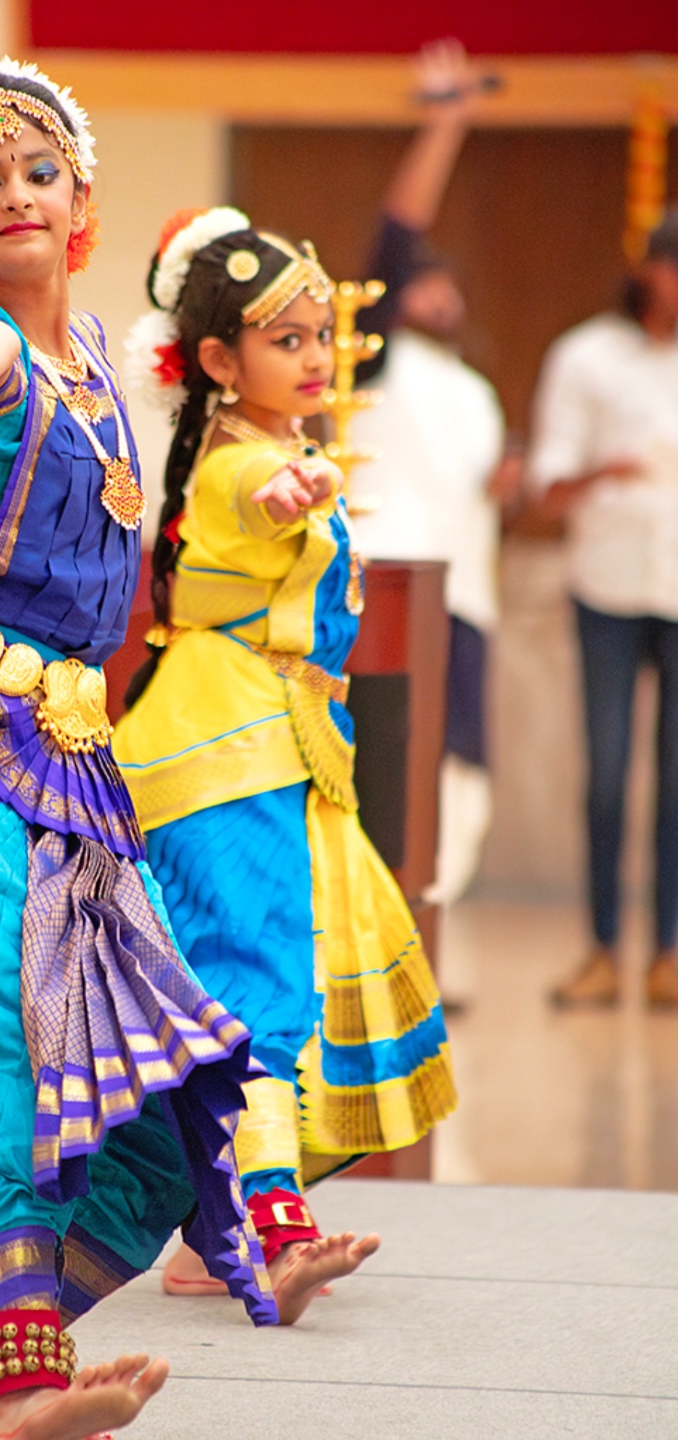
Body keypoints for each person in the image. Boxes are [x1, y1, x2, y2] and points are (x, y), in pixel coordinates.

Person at [0, 61, 280, 1440]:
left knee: (146, 1136)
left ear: (81, 195)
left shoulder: (95, 361)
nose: (15, 194)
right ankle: (24, 1380)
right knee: (15, 1048)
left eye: (38, 172)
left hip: (71, 764)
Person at [116, 210, 457, 1306]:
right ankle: (266, 1228)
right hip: (226, 753)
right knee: (252, 984)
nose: (316, 357)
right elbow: (253, 503)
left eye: (322, 336)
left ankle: (211, 1234)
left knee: (305, 975)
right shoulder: (241, 463)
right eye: (288, 339)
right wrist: (290, 493)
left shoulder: (273, 446)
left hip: (277, 745)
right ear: (217, 361)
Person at [347, 38, 513, 908]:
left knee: (461, 762)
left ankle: (431, 920)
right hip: (389, 583)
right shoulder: (372, 356)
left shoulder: (477, 390)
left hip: (467, 598)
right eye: (419, 285)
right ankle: (377, 920)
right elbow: (397, 235)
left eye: (445, 286)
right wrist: (447, 125)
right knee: (384, 757)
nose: (434, 296)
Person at [529, 212, 678, 1008]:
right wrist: (604, 474)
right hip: (609, 586)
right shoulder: (586, 356)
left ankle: (669, 954)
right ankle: (600, 949)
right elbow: (545, 487)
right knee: (609, 773)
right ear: (651, 269)